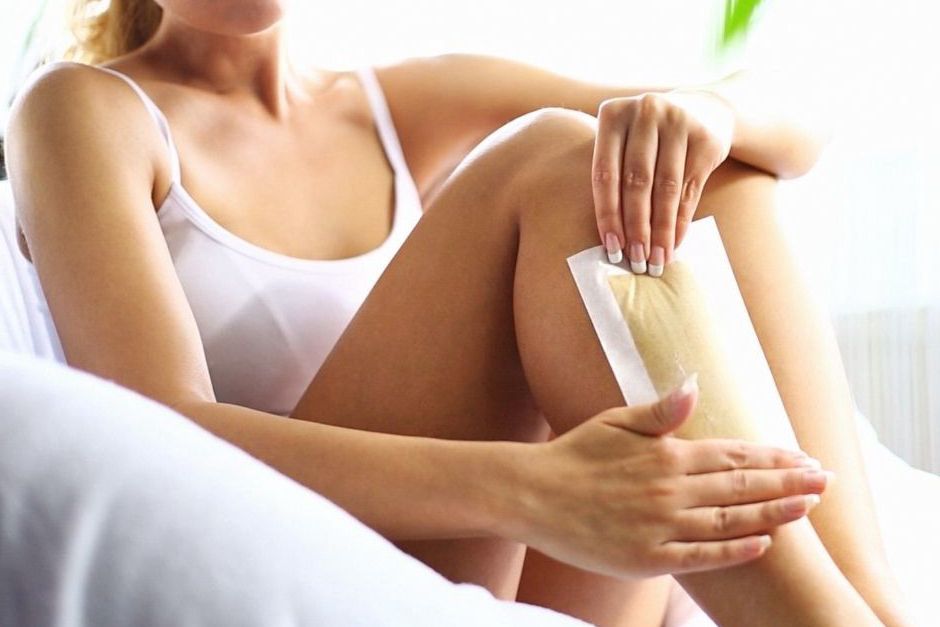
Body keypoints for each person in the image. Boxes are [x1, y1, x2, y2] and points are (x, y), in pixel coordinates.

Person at [3, 0, 909, 625]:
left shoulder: (392, 104)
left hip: (505, 547)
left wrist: (709, 109)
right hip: (296, 560)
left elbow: (798, 127)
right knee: (560, 156)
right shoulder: (81, 110)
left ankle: (866, 611)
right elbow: (164, 435)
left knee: (694, 160)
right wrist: (537, 490)